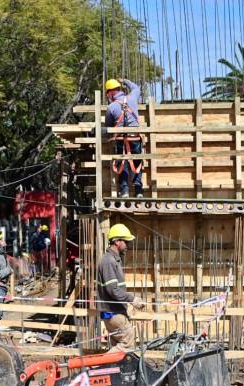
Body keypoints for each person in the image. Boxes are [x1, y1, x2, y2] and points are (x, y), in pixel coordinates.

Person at [96, 223, 144, 352]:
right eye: (126, 242)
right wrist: (132, 299)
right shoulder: (109, 261)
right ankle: (100, 368)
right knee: (127, 343)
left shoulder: (114, 260)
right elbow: (113, 290)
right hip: (112, 312)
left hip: (115, 311)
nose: (127, 246)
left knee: (116, 344)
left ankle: (113, 371)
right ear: (117, 242)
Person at [105, 78, 144, 198]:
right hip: (135, 138)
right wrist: (125, 81)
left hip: (121, 139)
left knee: (122, 163)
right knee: (137, 161)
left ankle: (125, 191)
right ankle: (138, 191)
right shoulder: (132, 98)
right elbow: (137, 88)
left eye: (108, 94)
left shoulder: (111, 107)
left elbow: (108, 127)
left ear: (111, 92)